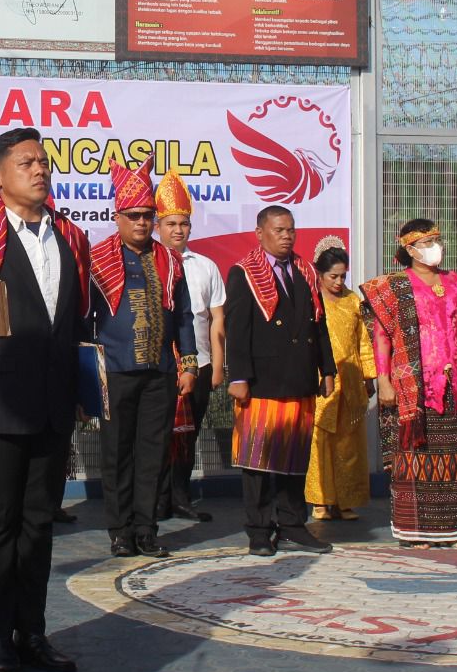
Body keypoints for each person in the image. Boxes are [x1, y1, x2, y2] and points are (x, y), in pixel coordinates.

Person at [0, 127, 90, 672]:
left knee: (39, 524)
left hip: (53, 402)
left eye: (43, 161)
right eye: (26, 162)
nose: (39, 170)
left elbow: (76, 324)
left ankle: (32, 632)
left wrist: (83, 392)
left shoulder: (71, 236)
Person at [88, 161, 198, 559]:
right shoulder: (97, 259)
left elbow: (183, 315)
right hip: (114, 372)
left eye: (147, 216)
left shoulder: (169, 260)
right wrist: (86, 378)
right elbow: (84, 320)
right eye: (133, 215)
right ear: (117, 217)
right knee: (117, 455)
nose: (141, 222)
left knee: (153, 454)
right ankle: (120, 532)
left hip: (160, 373)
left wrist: (189, 364)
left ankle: (146, 530)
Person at [360, 218, 457, 548]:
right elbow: (382, 337)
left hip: (453, 383)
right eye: (427, 243)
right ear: (410, 249)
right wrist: (383, 380)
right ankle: (416, 531)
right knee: (415, 458)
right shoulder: (395, 286)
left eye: (436, 241)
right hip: (412, 386)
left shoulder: (455, 281)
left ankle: (453, 529)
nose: (435, 248)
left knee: (452, 456)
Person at [224, 206, 337, 557]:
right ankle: (259, 531)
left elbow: (319, 324)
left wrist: (328, 369)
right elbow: (237, 330)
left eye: (291, 230)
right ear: (260, 233)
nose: (287, 236)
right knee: (258, 460)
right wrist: (238, 376)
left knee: (295, 458)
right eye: (279, 230)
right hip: (262, 383)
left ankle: (292, 526)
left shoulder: (305, 270)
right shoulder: (244, 272)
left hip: (300, 378)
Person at [155, 169, 224, 524]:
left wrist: (218, 367)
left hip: (200, 364)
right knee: (157, 434)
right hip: (159, 366)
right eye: (171, 223)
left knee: (188, 434)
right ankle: (155, 500)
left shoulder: (205, 266)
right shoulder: (149, 263)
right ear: (158, 226)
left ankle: (180, 497)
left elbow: (217, 319)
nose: (178, 230)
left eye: (183, 224)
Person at [304, 237, 376, 522]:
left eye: (342, 276)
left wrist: (369, 376)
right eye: (333, 276)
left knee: (349, 443)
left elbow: (363, 341)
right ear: (319, 274)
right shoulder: (311, 300)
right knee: (319, 441)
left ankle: (347, 501)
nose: (338, 282)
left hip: (351, 381)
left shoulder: (352, 300)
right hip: (321, 382)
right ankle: (321, 500)